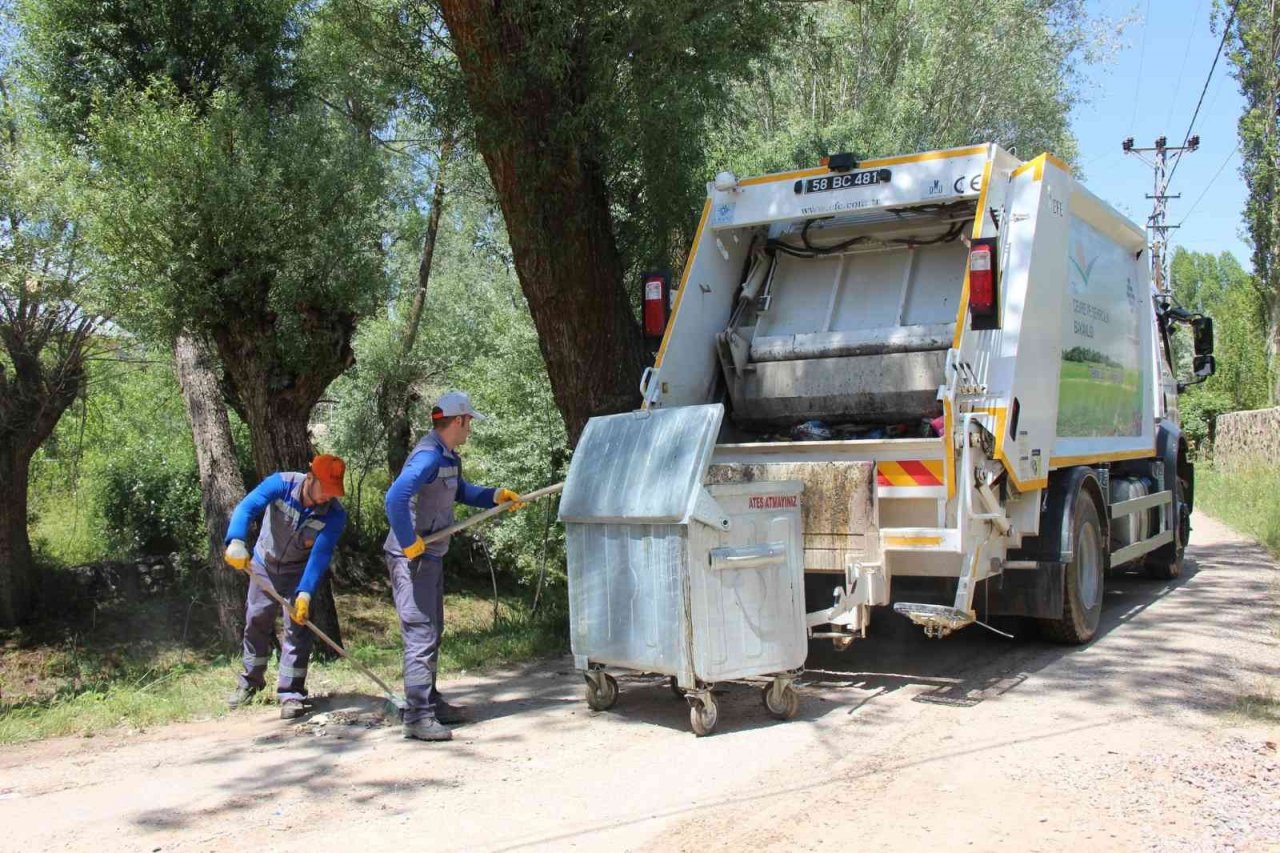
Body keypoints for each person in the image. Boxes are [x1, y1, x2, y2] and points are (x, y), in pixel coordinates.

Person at [384, 391, 523, 742]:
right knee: (420, 633)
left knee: (433, 630)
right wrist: (406, 540)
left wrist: (494, 495)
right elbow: (395, 497)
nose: (470, 428)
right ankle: (417, 716)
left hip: (430, 556)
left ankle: (429, 702)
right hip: (411, 558)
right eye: (469, 421)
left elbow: (460, 492)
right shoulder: (428, 456)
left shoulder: (448, 457)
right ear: (458, 420)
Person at [224, 454, 348, 719]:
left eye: (333, 491)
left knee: (298, 629)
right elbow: (247, 507)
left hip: (298, 573)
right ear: (311, 478)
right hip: (263, 564)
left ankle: (291, 693)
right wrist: (235, 540)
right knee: (256, 620)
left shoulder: (335, 515)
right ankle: (250, 682)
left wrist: (305, 592)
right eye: (325, 489)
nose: (328, 496)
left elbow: (320, 555)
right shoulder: (280, 484)